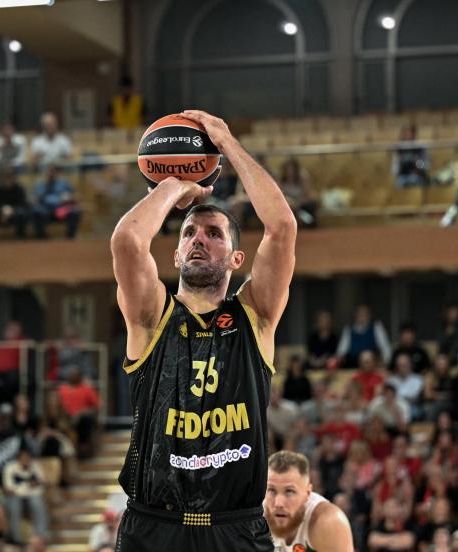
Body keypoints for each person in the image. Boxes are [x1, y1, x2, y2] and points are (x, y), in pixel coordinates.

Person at [111, 109, 296, 551]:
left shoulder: (256, 315)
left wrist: (226, 143)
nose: (198, 239)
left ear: (236, 258)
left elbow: (282, 226)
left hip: (236, 527)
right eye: (189, 233)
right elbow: (127, 241)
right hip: (155, 525)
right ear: (176, 255)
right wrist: (175, 185)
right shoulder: (151, 316)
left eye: (214, 234)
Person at [265, 451, 353, 552]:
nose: (279, 503)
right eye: (271, 490)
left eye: (289, 491)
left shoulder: (328, 522)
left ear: (307, 493)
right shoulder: (255, 516)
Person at [2, 449, 48, 543]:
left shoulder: (35, 466)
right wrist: (27, 486)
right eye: (23, 459)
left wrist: (24, 487)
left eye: (28, 458)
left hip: (32, 495)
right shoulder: (10, 467)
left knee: (38, 502)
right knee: (14, 505)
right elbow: (9, 490)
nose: (26, 461)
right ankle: (16, 538)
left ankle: (41, 536)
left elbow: (42, 483)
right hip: (15, 497)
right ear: (18, 459)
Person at [57, 368, 100, 459]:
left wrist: (80, 414)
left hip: (82, 419)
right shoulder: (63, 389)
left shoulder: (86, 389)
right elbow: (58, 405)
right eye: (71, 374)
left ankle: (83, 448)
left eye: (75, 374)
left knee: (86, 420)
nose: (73, 376)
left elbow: (96, 407)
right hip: (66, 417)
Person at [32, 165, 82, 239]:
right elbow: (34, 199)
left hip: (61, 210)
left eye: (53, 171)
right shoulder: (40, 184)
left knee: (75, 211)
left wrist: (69, 197)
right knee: (36, 211)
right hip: (45, 211)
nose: (51, 174)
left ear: (57, 173)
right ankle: (41, 237)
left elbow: (76, 196)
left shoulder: (64, 183)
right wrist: (37, 199)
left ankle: (70, 237)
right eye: (49, 171)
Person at [0, 170, 31, 240]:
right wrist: (3, 209)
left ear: (13, 178)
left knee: (21, 214)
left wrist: (11, 210)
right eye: (6, 178)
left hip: (15, 211)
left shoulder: (19, 189)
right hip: (1, 212)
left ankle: (20, 236)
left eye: (10, 178)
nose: (8, 180)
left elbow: (23, 204)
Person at [278, 158, 316, 227]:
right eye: (287, 170)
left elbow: (310, 195)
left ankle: (309, 224)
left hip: (301, 204)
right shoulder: (281, 181)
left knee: (311, 205)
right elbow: (279, 196)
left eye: (292, 170)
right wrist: (289, 203)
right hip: (288, 205)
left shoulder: (302, 179)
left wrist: (298, 203)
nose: (290, 172)